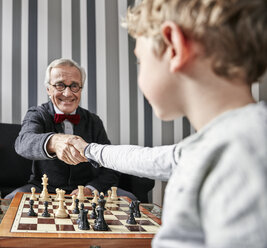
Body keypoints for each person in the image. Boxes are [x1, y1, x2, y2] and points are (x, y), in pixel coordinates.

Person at [65, 0, 267, 247]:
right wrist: (88, 149)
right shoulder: (223, 142)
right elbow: (147, 159)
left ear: (174, 47)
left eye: (140, 60)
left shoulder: (242, 155)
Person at [5, 58, 136, 200]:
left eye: (74, 86)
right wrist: (53, 141)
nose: (67, 93)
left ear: (81, 89)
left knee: (131, 200)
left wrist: (91, 189)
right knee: (8, 203)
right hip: (42, 189)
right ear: (49, 89)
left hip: (86, 191)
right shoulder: (37, 114)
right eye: (60, 85)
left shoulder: (93, 121)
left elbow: (110, 166)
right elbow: (23, 143)